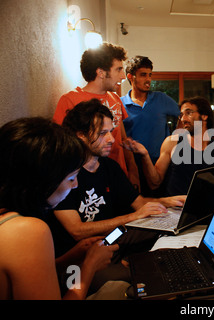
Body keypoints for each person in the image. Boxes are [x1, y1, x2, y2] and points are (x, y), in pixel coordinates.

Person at [51, 99, 185, 260]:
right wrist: (132, 217)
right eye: (102, 133)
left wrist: (168, 202)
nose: (112, 139)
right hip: (81, 255)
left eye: (110, 132)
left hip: (112, 240)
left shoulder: (110, 167)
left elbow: (139, 203)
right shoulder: (64, 173)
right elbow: (77, 231)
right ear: (81, 135)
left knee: (171, 239)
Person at [0, 117, 117, 300]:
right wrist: (89, 265)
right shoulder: (27, 230)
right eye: (71, 178)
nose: (76, 185)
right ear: (43, 181)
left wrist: (65, 261)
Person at [53, 42, 139, 188]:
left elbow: (123, 139)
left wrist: (133, 170)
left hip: (117, 176)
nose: (123, 76)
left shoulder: (116, 99)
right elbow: (60, 146)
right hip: (85, 179)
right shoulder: (70, 100)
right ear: (101, 72)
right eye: (118, 69)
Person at [123, 96, 214, 197]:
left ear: (204, 116)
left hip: (204, 210)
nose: (183, 119)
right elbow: (154, 183)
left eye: (188, 113)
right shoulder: (172, 142)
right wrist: (145, 155)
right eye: (181, 115)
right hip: (174, 209)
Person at [121, 56, 180, 196]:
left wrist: (176, 137)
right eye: (143, 75)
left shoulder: (161, 98)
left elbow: (183, 115)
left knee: (165, 210)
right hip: (135, 169)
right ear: (131, 77)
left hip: (162, 167)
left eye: (150, 75)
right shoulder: (120, 104)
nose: (148, 80)